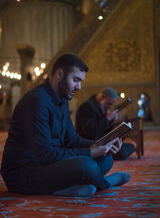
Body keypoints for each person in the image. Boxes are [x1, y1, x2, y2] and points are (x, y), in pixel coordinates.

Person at [1, 54, 130, 198]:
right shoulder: (37, 101)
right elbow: (46, 155)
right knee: (87, 165)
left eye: (80, 81)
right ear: (59, 74)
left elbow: (72, 140)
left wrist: (101, 145)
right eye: (76, 80)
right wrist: (91, 152)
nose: (79, 87)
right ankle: (105, 183)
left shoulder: (62, 99)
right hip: (23, 172)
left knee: (106, 158)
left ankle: (69, 189)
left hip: (47, 165)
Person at [76, 87, 136, 160]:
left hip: (102, 141)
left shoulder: (101, 107)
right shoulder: (87, 106)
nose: (110, 107)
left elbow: (103, 129)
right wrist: (107, 118)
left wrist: (111, 121)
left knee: (130, 146)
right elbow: (89, 131)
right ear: (103, 97)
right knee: (122, 152)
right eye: (109, 103)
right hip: (90, 143)